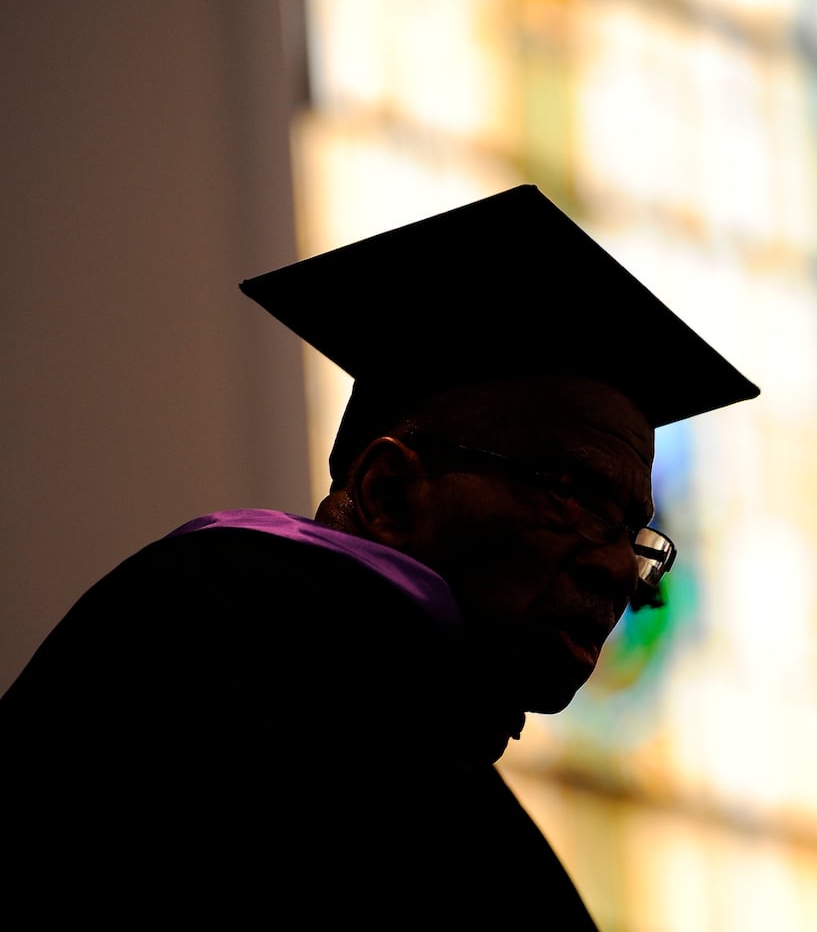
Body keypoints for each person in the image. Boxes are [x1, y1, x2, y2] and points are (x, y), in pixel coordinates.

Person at [1, 185, 758, 926]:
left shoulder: (412, 737)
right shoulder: (211, 644)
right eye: (576, 496)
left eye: (632, 533)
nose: (621, 569)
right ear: (391, 490)